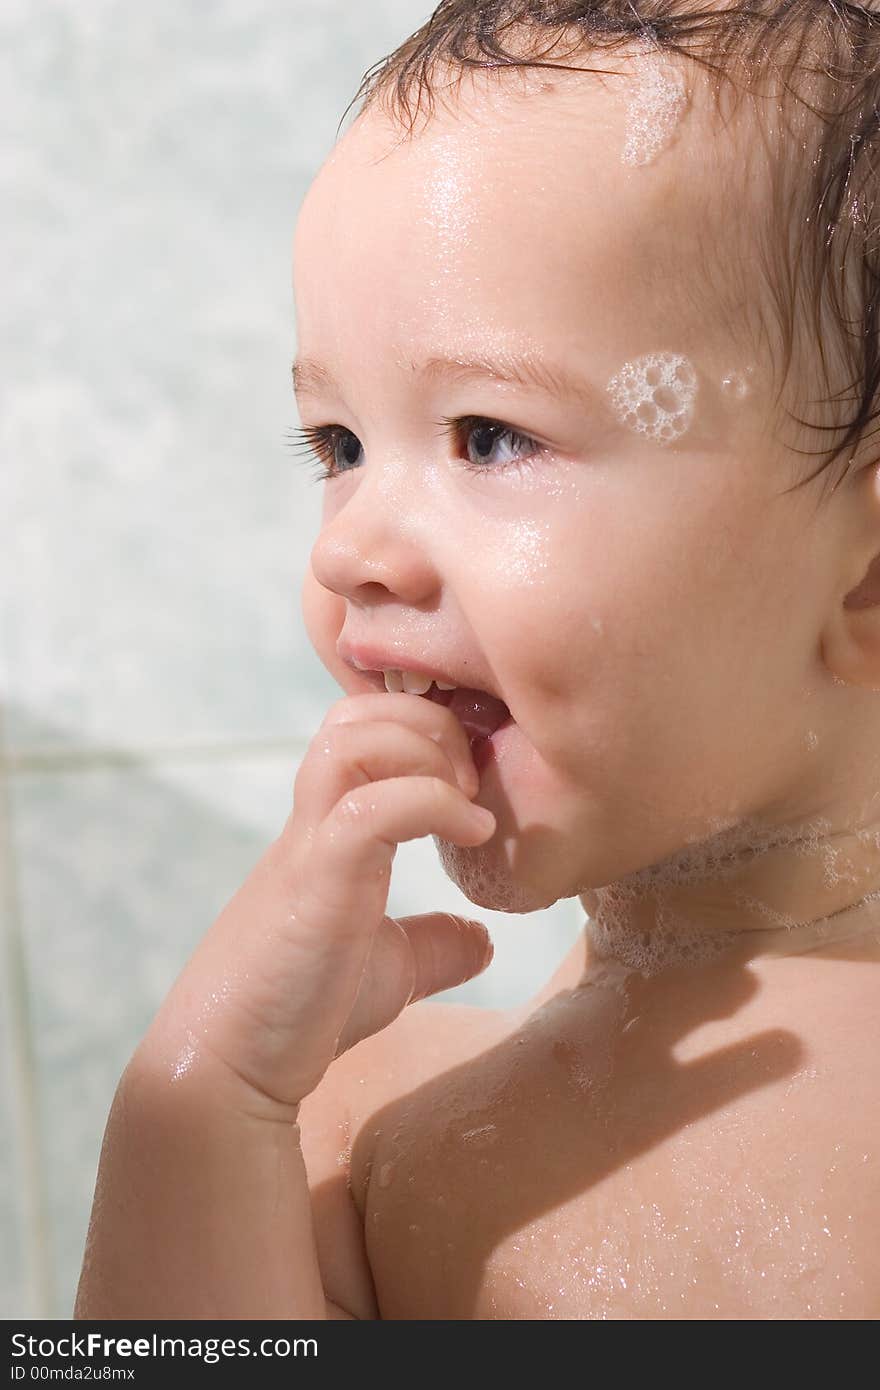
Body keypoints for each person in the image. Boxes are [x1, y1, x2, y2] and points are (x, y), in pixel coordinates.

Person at [75, 2, 880, 1319]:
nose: (356, 552)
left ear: (865, 577)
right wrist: (201, 1099)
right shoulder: (352, 1136)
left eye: (490, 435)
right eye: (336, 445)